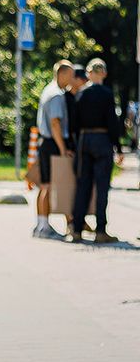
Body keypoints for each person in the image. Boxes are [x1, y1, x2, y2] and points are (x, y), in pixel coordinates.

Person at [68, 59, 121, 244]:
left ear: (88, 73)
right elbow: (112, 122)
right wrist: (119, 148)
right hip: (102, 140)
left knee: (83, 186)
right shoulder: (106, 94)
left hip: (84, 141)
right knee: (102, 187)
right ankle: (100, 231)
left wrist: (74, 145)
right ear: (104, 74)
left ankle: (76, 230)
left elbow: (73, 123)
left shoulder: (81, 94)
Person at [33, 61, 77, 239]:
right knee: (48, 186)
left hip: (46, 142)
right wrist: (63, 148)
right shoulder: (57, 95)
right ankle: (43, 228)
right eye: (71, 75)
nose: (72, 79)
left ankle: (41, 225)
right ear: (62, 74)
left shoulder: (48, 90)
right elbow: (55, 123)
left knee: (45, 185)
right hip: (52, 143)